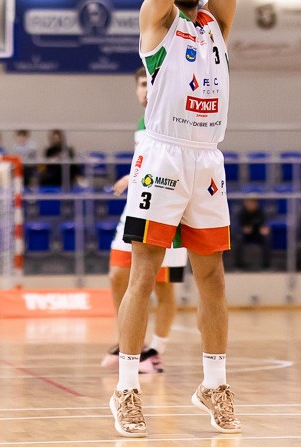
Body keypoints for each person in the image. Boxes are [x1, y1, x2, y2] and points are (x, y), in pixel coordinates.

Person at [110, 0, 242, 438]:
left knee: (212, 276)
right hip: (162, 156)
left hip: (207, 158)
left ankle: (214, 383)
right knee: (144, 273)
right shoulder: (156, 22)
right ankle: (126, 388)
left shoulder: (216, 24)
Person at [103, 68, 187, 373]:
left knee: (163, 286)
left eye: (150, 83)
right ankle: (130, 341)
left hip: (169, 207)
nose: (146, 89)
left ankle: (155, 351)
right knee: (117, 274)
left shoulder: (175, 116)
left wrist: (133, 177)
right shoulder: (143, 121)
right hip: (138, 204)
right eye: (141, 84)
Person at [235, 197, 271, 270]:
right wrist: (243, 229)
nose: (252, 204)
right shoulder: (241, 212)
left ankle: (266, 265)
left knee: (267, 239)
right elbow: (237, 226)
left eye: (254, 202)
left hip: (258, 234)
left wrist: (264, 229)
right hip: (245, 235)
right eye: (250, 202)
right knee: (239, 239)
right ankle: (239, 265)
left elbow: (265, 224)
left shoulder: (261, 212)